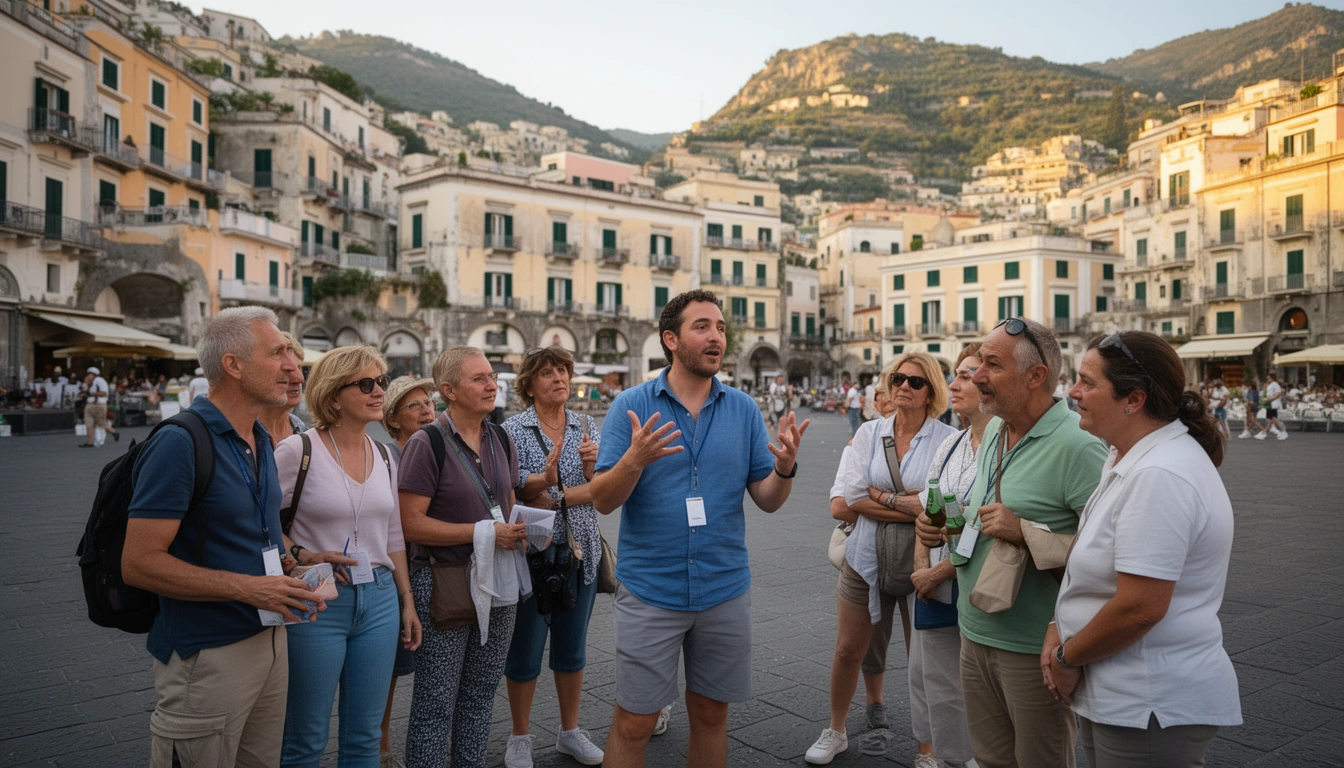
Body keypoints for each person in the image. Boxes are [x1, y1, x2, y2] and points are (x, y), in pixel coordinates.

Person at [590, 290, 808, 768]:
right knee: (635, 721)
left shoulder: (744, 410)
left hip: (723, 588)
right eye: (702, 327)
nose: (716, 337)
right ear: (671, 339)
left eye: (721, 328)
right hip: (650, 590)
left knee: (711, 713)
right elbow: (604, 500)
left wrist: (786, 467)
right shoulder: (631, 404)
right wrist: (634, 460)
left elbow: (767, 501)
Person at [122, 306, 318, 768]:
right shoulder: (180, 441)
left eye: (292, 353)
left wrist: (300, 558)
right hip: (206, 653)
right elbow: (139, 562)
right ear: (233, 365)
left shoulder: (261, 438)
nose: (292, 365)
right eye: (277, 352)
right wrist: (251, 588)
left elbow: (260, 531)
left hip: (269, 639)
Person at [917, 318, 1107, 768]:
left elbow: (1106, 558)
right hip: (974, 628)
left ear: (1035, 377)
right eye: (980, 361)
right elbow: (985, 518)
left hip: (1033, 649)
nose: (977, 374)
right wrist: (948, 522)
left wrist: (1024, 531)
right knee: (989, 759)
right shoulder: (995, 434)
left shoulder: (1079, 445)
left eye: (992, 364)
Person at [1051, 331, 1240, 765]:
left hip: (1150, 698)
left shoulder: (1160, 474)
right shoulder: (1127, 455)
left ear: (1133, 399)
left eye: (1087, 382)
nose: (1073, 392)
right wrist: (1059, 625)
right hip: (1123, 691)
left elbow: (1141, 606)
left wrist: (1066, 656)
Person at [274, 345, 421, 767]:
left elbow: (393, 534)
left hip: (378, 599)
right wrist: (299, 554)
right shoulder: (296, 452)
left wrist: (405, 599)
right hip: (317, 597)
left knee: (365, 735)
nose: (379, 391)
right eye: (366, 384)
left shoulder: (386, 456)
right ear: (334, 395)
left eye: (381, 381)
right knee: (306, 736)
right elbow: (263, 526)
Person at [807, 353, 956, 765]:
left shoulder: (947, 440)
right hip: (864, 558)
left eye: (915, 381)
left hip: (922, 563)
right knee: (846, 650)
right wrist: (910, 505)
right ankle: (835, 729)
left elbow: (940, 508)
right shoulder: (869, 434)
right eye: (897, 378)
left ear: (932, 392)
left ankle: (928, 748)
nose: (903, 386)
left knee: (923, 659)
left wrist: (882, 495)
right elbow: (851, 497)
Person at [398, 346, 528, 768]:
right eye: (480, 379)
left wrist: (523, 529)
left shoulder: (501, 436)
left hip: (499, 578)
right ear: (449, 390)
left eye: (492, 376)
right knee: (436, 703)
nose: (492, 384)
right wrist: (485, 532)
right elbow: (411, 524)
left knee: (480, 693)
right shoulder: (427, 442)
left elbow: (505, 502)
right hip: (443, 581)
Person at [501, 347, 605, 768]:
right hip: (534, 553)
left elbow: (601, 487)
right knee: (525, 649)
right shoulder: (512, 429)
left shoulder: (585, 424)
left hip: (581, 551)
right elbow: (514, 487)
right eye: (547, 372)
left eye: (563, 370)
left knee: (572, 646)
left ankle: (569, 730)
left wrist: (594, 467)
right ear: (529, 384)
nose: (559, 378)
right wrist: (540, 481)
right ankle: (520, 735)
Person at [905, 344, 985, 768]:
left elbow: (985, 532)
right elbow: (929, 514)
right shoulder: (950, 448)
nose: (955, 383)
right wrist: (921, 567)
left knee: (978, 691)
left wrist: (936, 573)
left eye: (968, 375)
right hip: (936, 585)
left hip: (975, 588)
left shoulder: (1006, 448)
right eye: (956, 374)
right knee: (938, 687)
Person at [376, 375, 439, 765]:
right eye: (413, 405)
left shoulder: (437, 449)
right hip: (399, 573)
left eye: (428, 402)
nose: (426, 409)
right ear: (393, 419)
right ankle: (379, 745)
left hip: (434, 572)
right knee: (388, 671)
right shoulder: (386, 458)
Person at [260, 333, 307, 448]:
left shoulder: (304, 434)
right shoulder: (241, 434)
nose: (298, 379)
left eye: (299, 368)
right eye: (286, 370)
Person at [80, 366, 120, 447]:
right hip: (90, 404)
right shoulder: (87, 383)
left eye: (90, 375)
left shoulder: (100, 381)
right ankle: (89, 442)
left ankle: (114, 432)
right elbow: (85, 392)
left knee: (101, 423)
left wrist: (93, 394)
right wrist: (86, 386)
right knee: (89, 423)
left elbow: (104, 393)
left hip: (99, 404)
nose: (89, 376)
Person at [1259, 372, 1288, 440]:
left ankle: (1282, 431)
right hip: (1269, 403)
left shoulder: (1275, 384)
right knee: (1269, 419)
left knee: (1273, 418)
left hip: (1273, 404)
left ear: (1272, 378)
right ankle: (1266, 431)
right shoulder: (1270, 385)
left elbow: (1279, 393)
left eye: (1268, 378)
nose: (1267, 379)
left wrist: (1272, 398)